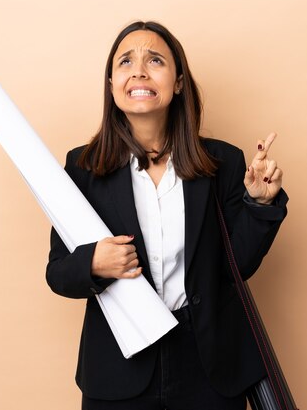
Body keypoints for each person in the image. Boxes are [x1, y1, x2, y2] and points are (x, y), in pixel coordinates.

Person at [46, 20, 288, 410]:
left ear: (177, 82)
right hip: (119, 368)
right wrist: (93, 262)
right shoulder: (82, 167)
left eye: (155, 60)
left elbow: (235, 267)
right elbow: (58, 272)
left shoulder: (222, 162)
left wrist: (258, 204)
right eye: (126, 61)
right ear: (111, 85)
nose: (139, 69)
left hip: (208, 368)